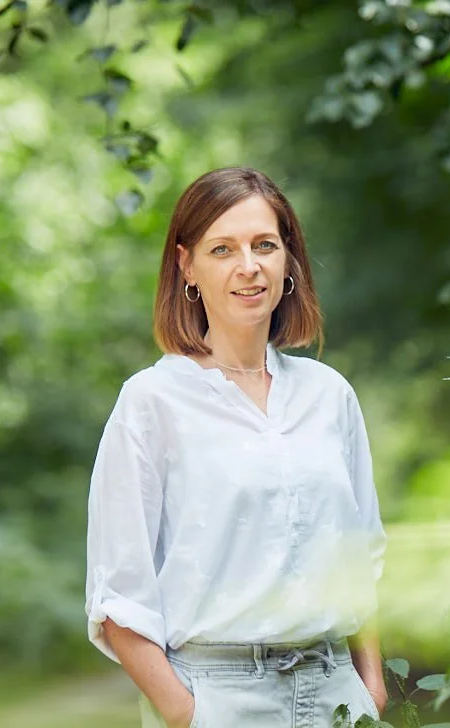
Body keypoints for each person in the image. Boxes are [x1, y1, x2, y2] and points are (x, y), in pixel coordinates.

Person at [85, 167, 388, 728]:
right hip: (218, 698)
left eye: (264, 245)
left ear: (288, 260)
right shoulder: (152, 402)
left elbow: (361, 557)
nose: (248, 266)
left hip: (337, 695)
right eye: (222, 249)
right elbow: (118, 596)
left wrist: (372, 688)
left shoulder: (329, 396)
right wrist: (187, 714)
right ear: (187, 266)